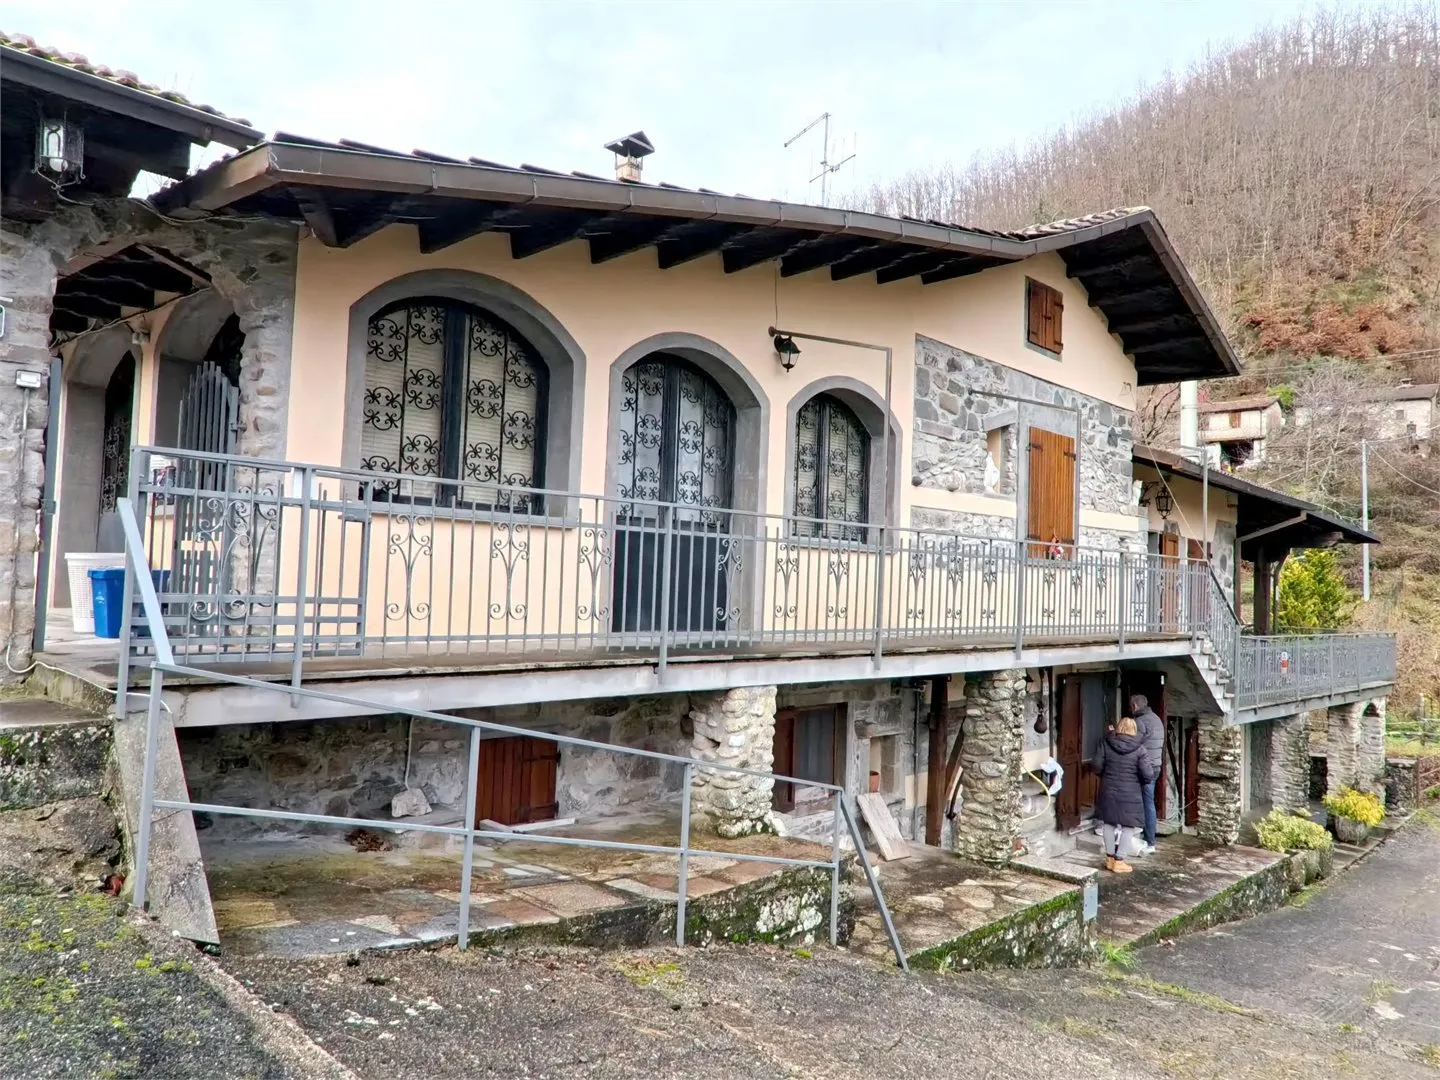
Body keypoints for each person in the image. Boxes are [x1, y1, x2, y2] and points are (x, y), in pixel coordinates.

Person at [1094, 716, 1154, 873]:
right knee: (1128, 825)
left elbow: (1096, 766)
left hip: (1109, 789)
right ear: (1134, 730)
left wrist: (1105, 775)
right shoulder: (1140, 749)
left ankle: (1110, 859)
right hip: (1131, 792)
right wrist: (1139, 780)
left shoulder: (1106, 743)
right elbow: (1148, 775)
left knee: (1108, 823)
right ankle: (1120, 861)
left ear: (1119, 728)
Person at [1130, 694, 1164, 855]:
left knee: (1143, 802)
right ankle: (1149, 840)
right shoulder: (1156, 719)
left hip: (1144, 767)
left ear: (1135, 706)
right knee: (1147, 801)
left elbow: (1132, 745)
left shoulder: (1140, 722)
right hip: (1156, 766)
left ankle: (1148, 841)